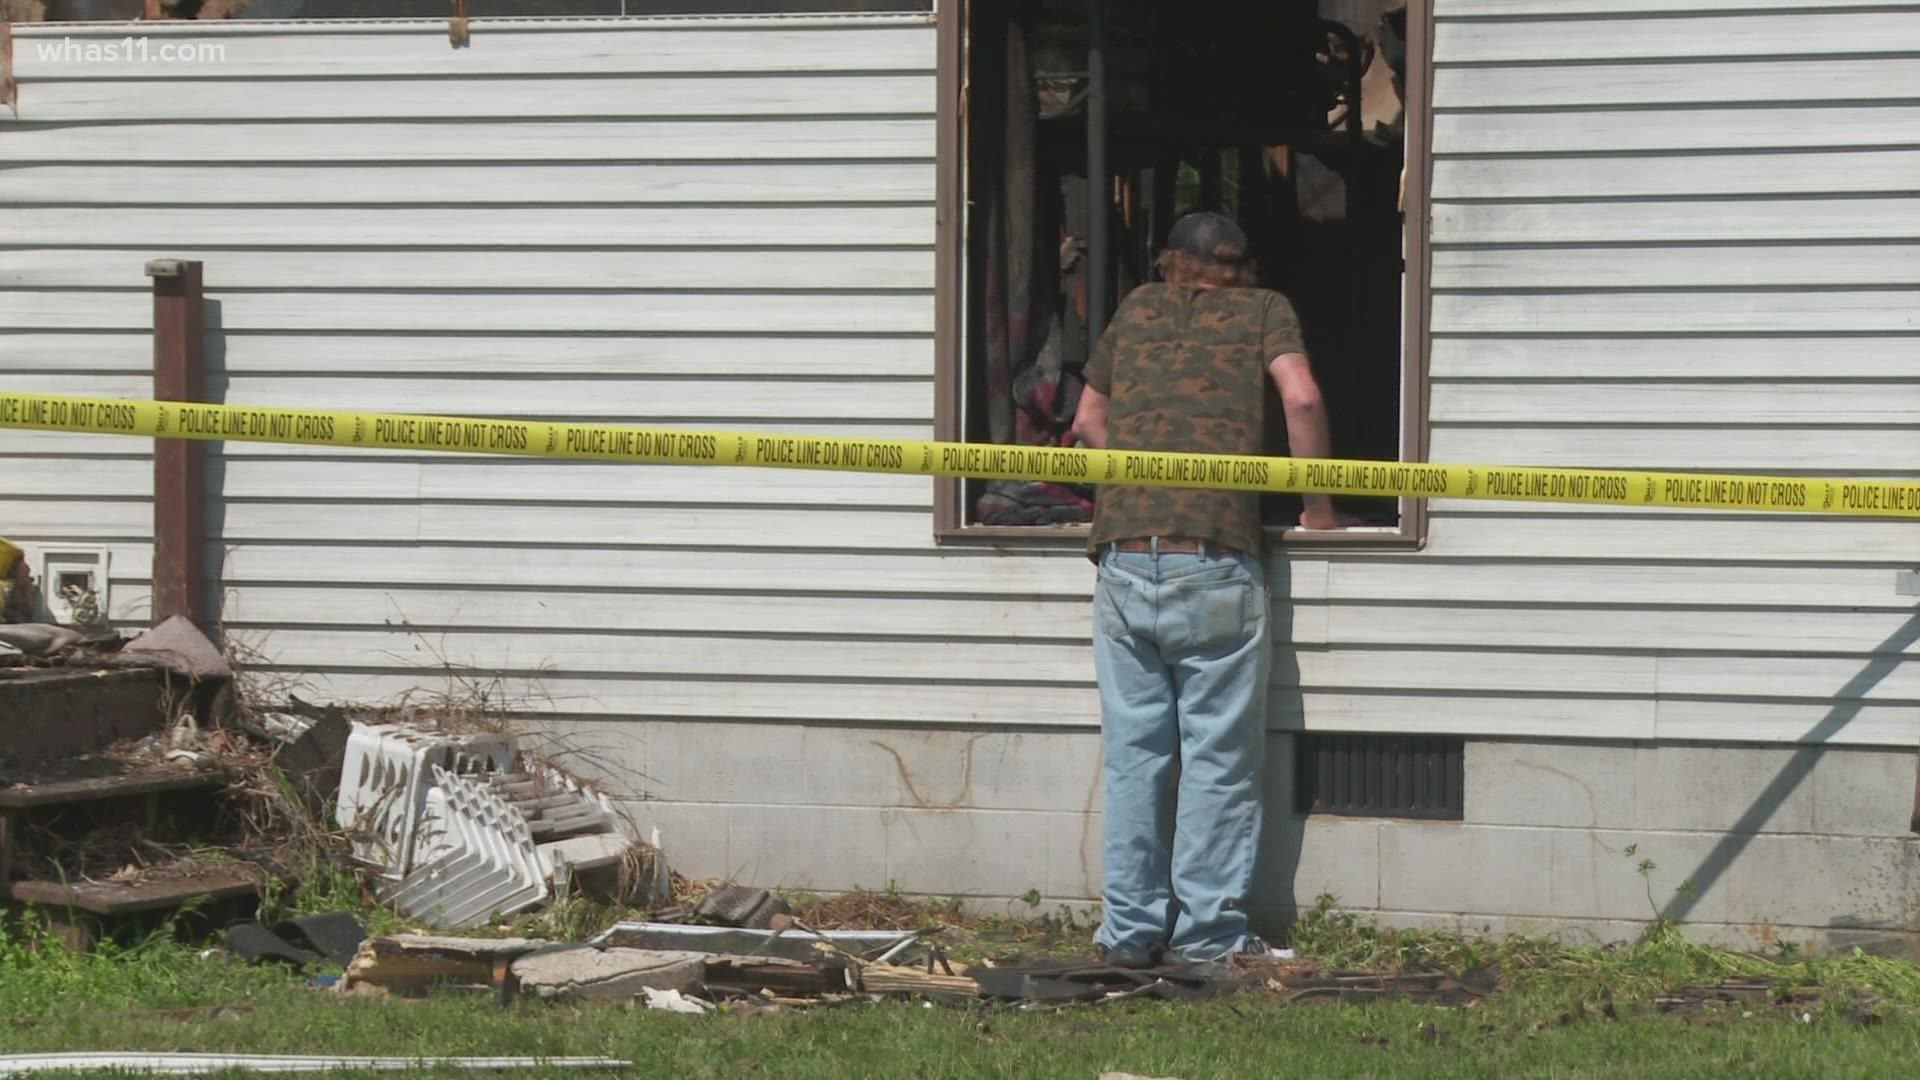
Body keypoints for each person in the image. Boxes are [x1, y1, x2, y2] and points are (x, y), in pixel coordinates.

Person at [1069, 210, 1343, 969]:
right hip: (1215, 557)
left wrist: (1141, 481)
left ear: (1171, 264)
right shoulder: (1264, 310)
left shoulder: (1135, 307)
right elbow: (1303, 399)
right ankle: (1207, 938)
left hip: (1125, 557)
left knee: (1136, 758)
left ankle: (1128, 934)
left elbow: (1088, 422)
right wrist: (1318, 508)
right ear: (1242, 267)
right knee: (1217, 758)